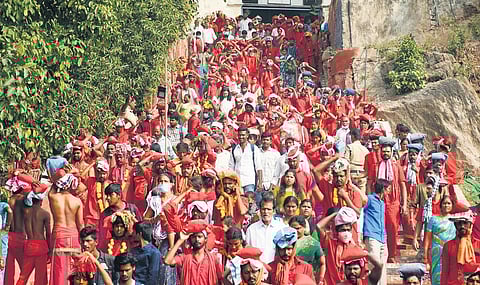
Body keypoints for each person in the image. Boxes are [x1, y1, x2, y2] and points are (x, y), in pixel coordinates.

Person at [49, 169, 84, 285]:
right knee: (75, 269)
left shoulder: (53, 197)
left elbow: (52, 182)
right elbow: (80, 224)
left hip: (59, 235)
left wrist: (62, 173)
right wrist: (84, 242)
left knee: (59, 270)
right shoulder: (77, 201)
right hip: (73, 235)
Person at [316, 207, 359, 285]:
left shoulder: (353, 244)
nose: (346, 232)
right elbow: (319, 226)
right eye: (343, 230)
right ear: (337, 231)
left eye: (348, 230)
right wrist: (335, 214)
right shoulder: (330, 241)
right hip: (330, 281)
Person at [16, 190, 50, 285]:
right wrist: (50, 250)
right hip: (41, 246)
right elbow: (48, 234)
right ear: (41, 201)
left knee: (23, 276)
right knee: (40, 277)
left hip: (29, 245)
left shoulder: (26, 212)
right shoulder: (45, 214)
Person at [423, 195, 456, 285]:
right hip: (436, 253)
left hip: (451, 253)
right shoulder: (433, 219)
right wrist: (425, 256)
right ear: (440, 205)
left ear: (452, 205)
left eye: (449, 203)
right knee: (437, 278)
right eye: (444, 203)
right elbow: (427, 239)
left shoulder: (455, 220)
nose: (446, 205)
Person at [246, 193, 285, 264]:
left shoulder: (281, 228)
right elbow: (248, 251)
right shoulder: (251, 229)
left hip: (276, 268)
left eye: (269, 209)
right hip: (257, 269)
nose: (266, 212)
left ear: (273, 211)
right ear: (260, 210)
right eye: (263, 209)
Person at [441, 211, 477, 285]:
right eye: (459, 223)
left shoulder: (478, 244)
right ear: (455, 225)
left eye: (465, 223)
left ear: (471, 224)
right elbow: (445, 271)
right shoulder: (448, 245)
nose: (462, 226)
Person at [362, 181, 387, 285]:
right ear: (383, 190)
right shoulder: (370, 199)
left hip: (382, 238)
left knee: (383, 267)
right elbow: (361, 211)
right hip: (372, 236)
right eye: (387, 189)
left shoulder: (382, 203)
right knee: (374, 266)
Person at [289, 215, 325, 283]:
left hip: (307, 279)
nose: (295, 231)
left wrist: (320, 279)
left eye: (298, 228)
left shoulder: (313, 243)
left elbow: (322, 263)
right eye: (293, 228)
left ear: (304, 228)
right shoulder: (284, 243)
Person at [229, 126, 263, 195]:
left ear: (247, 135)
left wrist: (260, 182)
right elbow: (231, 166)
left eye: (243, 135)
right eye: (239, 135)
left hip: (249, 181)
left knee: (249, 201)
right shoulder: (234, 149)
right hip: (237, 181)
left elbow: (259, 167)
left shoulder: (253, 148)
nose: (241, 137)